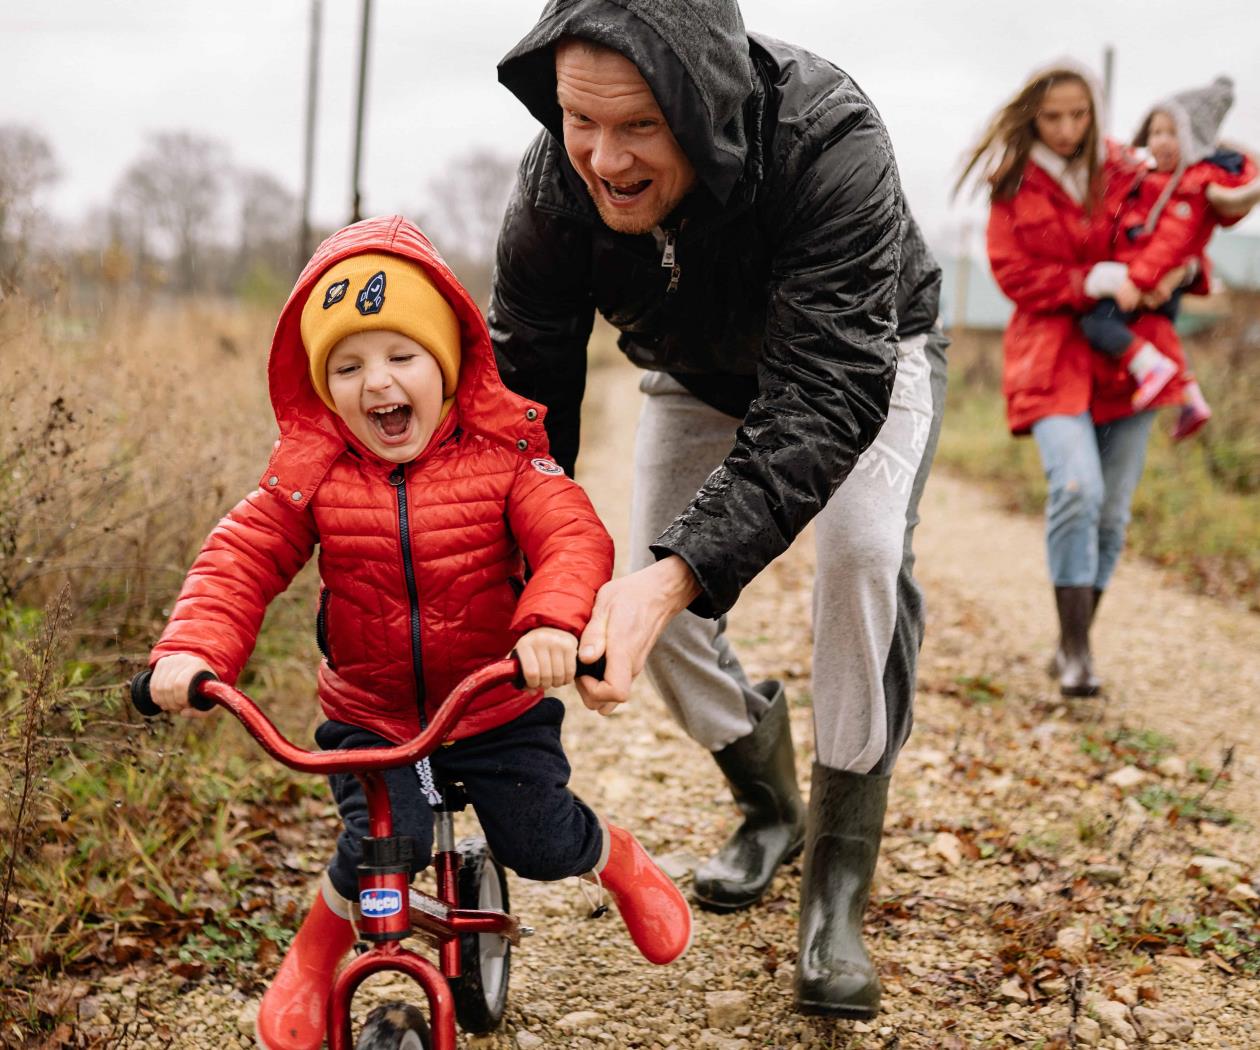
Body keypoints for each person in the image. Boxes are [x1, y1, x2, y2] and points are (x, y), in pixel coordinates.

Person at [490, 0, 947, 1019]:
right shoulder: (549, 191)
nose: (604, 160)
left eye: (640, 125)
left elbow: (827, 393)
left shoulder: (830, 139)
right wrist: (518, 567)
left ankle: (837, 886)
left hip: (864, 358)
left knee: (862, 554)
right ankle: (768, 803)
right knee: (646, 586)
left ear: (704, 106)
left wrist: (678, 574)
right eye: (579, 120)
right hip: (692, 374)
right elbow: (524, 401)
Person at [144, 216, 692, 1050]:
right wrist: (193, 649)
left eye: (402, 356)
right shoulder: (313, 473)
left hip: (492, 705)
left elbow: (572, 537)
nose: (378, 384)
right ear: (324, 387)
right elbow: (242, 556)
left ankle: (615, 859)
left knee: (539, 841)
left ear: (446, 361)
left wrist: (547, 623)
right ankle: (311, 960)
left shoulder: (506, 456)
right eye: (348, 365)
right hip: (373, 716)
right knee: (377, 850)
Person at [960, 63, 1194, 698]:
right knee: (1076, 488)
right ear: (1032, 116)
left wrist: (1183, 261)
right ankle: (1075, 650)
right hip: (1051, 355)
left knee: (1113, 514)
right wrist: (1086, 281)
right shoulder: (1012, 183)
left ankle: (1075, 639)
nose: (1066, 129)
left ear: (1094, 112)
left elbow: (1179, 219)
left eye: (1078, 114)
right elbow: (1011, 274)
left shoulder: (1127, 168)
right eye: (1052, 117)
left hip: (1129, 356)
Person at [1079, 75, 1259, 440]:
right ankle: (1190, 396)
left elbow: (1170, 243)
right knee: (1156, 332)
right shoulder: (1150, 179)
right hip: (1149, 275)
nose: (1161, 141)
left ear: (1192, 140)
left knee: (1097, 324)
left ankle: (1150, 370)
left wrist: (1138, 280)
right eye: (1157, 131)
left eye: (1172, 133)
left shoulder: (1187, 188)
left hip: (1150, 279)